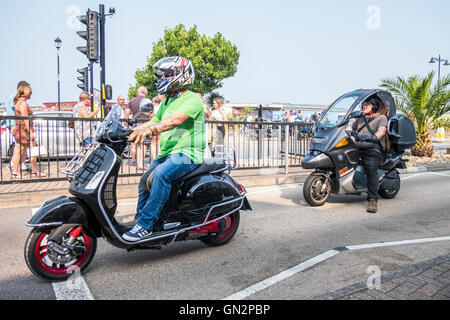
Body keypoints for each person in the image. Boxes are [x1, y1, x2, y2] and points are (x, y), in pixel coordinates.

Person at [122, 56, 204, 242]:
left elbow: (175, 120)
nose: (160, 79)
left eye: (165, 75)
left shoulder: (192, 100)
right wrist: (132, 131)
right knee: (144, 182)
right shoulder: (167, 100)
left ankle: (145, 226)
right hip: (167, 153)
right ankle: (139, 220)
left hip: (187, 153)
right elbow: (155, 120)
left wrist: (152, 129)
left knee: (160, 175)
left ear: (180, 75)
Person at [350, 98, 388, 214]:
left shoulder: (381, 118)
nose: (364, 106)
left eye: (367, 104)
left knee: (371, 169)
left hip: (373, 149)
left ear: (374, 106)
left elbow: (382, 131)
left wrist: (373, 137)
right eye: (363, 104)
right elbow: (350, 128)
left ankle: (372, 199)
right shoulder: (360, 119)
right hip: (357, 147)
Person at [11, 85, 38, 177]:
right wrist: (30, 132)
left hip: (19, 128)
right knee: (27, 149)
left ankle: (15, 171)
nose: (31, 94)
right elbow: (25, 119)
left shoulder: (18, 102)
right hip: (23, 129)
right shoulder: (23, 104)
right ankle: (34, 171)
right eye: (30, 92)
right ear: (26, 93)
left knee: (19, 150)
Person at [4, 81, 30, 173]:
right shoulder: (16, 98)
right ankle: (13, 166)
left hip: (13, 123)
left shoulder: (13, 97)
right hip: (15, 123)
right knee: (19, 146)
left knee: (21, 146)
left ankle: (21, 165)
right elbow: (19, 112)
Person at [129, 86, 150, 169]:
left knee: (137, 144)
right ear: (145, 92)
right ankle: (140, 164)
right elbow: (150, 114)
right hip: (144, 124)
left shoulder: (132, 101)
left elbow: (127, 113)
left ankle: (137, 163)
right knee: (144, 144)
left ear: (138, 92)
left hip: (135, 124)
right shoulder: (147, 101)